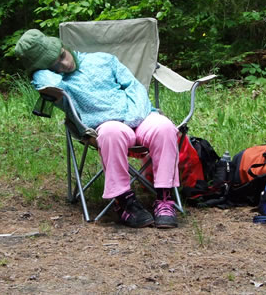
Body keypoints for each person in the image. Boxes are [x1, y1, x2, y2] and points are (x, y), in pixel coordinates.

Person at [15, 29, 180, 229]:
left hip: (139, 114)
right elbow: (43, 82)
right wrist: (41, 69)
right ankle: (124, 201)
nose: (64, 65)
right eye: (54, 65)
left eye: (62, 56)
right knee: (112, 133)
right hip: (105, 126)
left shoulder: (104, 60)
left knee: (164, 127)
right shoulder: (55, 83)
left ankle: (164, 198)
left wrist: (134, 117)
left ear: (63, 46)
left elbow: (133, 86)